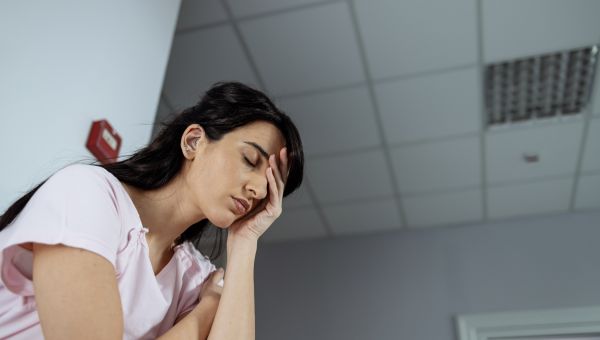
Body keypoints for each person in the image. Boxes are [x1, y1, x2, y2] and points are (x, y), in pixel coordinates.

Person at [0, 82, 304, 339]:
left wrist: (245, 243)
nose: (260, 191)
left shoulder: (195, 278)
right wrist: (207, 311)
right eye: (250, 160)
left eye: (271, 184)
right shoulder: (87, 195)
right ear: (194, 141)